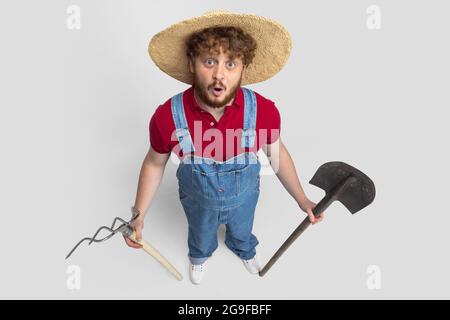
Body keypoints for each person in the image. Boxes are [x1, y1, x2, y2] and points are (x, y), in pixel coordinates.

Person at [123, 10, 324, 285]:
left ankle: (243, 249)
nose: (219, 74)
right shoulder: (167, 116)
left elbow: (277, 155)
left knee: (243, 230)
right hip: (197, 201)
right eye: (209, 61)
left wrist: (302, 199)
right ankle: (200, 256)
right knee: (201, 234)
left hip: (245, 199)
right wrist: (139, 215)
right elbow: (154, 163)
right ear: (192, 63)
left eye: (231, 64)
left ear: (243, 68)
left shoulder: (262, 111)